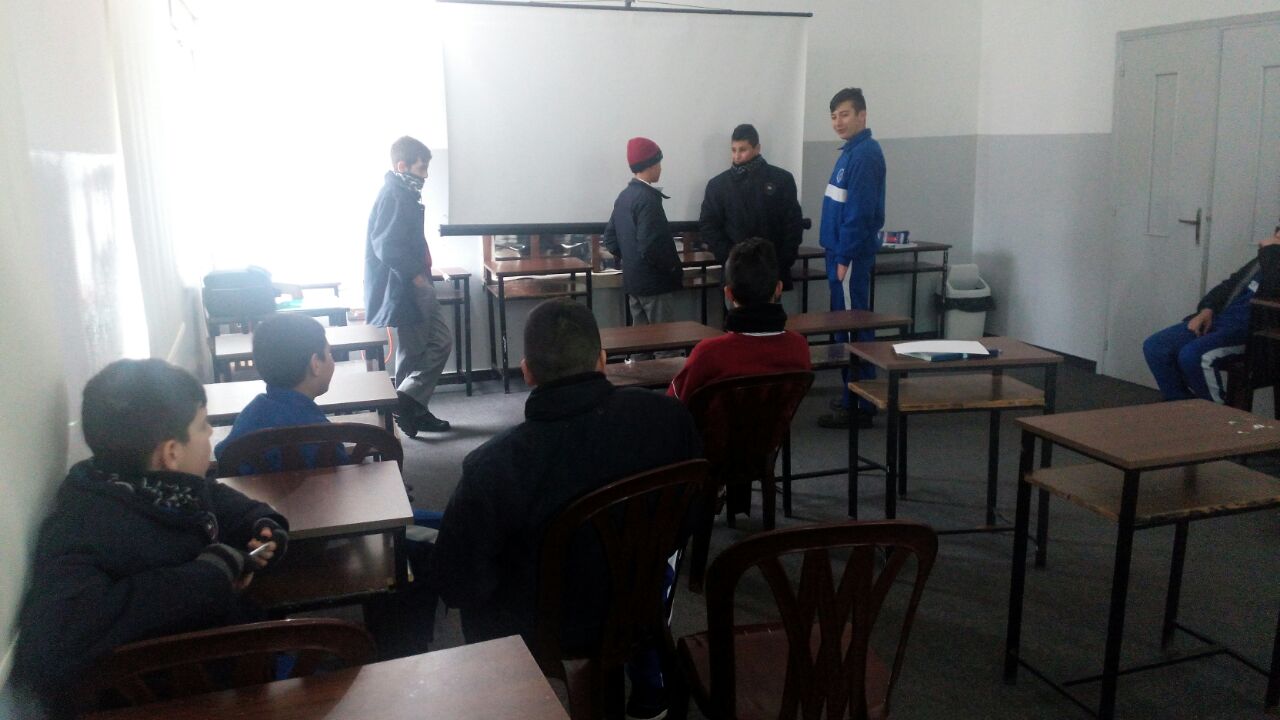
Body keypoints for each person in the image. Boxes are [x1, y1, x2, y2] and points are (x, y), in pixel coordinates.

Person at [431, 298, 701, 720]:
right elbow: (691, 512)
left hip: (542, 629)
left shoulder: (495, 465)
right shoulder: (670, 418)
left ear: (526, 372)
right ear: (602, 360)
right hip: (638, 601)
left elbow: (460, 585)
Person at [5, 359, 287, 718]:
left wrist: (261, 523)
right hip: (186, 695)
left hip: (229, 659)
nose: (211, 434)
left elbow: (219, 500)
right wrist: (207, 576)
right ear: (171, 453)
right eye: (203, 426)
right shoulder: (83, 523)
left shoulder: (164, 486)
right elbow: (53, 645)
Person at [365, 135, 452, 437]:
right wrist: (416, 275)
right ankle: (409, 405)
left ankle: (409, 403)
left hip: (413, 283)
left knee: (430, 344)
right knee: (419, 349)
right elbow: (385, 246)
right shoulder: (395, 195)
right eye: (421, 168)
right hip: (406, 287)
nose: (425, 175)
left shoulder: (404, 193)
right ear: (402, 166)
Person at [817, 87, 886, 429]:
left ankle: (859, 404)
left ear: (862, 115)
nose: (838, 122)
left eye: (844, 114)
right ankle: (852, 395)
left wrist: (844, 256)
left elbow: (859, 214)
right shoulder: (850, 152)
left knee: (852, 328)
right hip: (839, 252)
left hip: (850, 256)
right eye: (833, 116)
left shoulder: (865, 155)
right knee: (844, 327)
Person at [1143, 230, 1280, 402]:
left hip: (1253, 333)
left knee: (1193, 355)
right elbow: (1229, 285)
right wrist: (1206, 310)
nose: (1276, 236)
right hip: (1220, 319)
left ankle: (1216, 414)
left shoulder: (1271, 257)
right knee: (1156, 346)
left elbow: (1275, 288)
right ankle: (1180, 406)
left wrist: (1271, 252)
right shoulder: (1264, 260)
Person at [668, 237, 812, 402]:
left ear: (728, 293)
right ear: (778, 288)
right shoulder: (798, 346)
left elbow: (675, 402)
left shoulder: (709, 353)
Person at [213, 314, 339, 474]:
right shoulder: (322, 431)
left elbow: (225, 456)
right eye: (329, 354)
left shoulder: (249, 417)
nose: (332, 361)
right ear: (315, 365)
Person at [698, 124, 803, 290]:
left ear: (757, 148)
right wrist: (731, 257)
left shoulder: (781, 179)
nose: (737, 156)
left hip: (773, 269)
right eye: (733, 150)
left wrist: (782, 261)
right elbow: (708, 226)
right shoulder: (718, 185)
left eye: (743, 150)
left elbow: (793, 224)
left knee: (772, 307)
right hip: (735, 271)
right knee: (736, 307)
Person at [604, 137, 684, 334]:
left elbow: (610, 239)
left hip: (634, 283)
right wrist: (672, 268)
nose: (661, 168)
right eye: (659, 163)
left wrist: (631, 259)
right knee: (664, 340)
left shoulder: (624, 196)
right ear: (651, 164)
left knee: (640, 340)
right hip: (655, 283)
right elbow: (651, 246)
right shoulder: (648, 200)